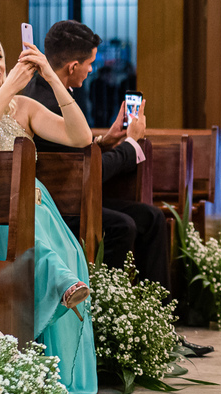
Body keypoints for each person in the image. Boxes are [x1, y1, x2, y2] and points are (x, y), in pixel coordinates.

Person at [0, 29, 100, 394]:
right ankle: (60, 281)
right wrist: (8, 88)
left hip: (36, 209)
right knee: (26, 236)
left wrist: (50, 76)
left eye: (0, 55)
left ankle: (54, 364)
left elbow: (81, 137)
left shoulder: (24, 107)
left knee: (46, 236)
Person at [20, 20, 171, 295]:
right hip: (59, 205)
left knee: (150, 217)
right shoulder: (51, 102)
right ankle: (108, 304)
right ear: (73, 66)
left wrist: (106, 140)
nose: (92, 70)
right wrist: (131, 143)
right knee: (124, 225)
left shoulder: (44, 92)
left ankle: (154, 308)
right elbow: (90, 170)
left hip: (72, 195)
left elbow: (77, 155)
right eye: (90, 63)